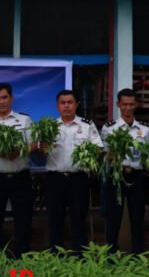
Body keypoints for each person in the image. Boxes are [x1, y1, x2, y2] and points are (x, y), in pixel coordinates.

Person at [41, 89, 103, 254]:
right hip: (55, 179)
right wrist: (43, 147)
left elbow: (98, 149)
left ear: (77, 105)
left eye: (70, 102)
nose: (66, 106)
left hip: (79, 179)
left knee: (78, 219)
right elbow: (40, 151)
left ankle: (80, 258)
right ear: (57, 106)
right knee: (55, 220)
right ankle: (56, 256)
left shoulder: (87, 125)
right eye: (63, 103)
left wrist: (88, 153)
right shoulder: (49, 126)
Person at [0, 83, 35, 256]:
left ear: (11, 98)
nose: (1, 101)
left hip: (21, 178)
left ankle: (21, 256)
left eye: (4, 97)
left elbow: (34, 144)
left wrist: (19, 150)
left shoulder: (24, 120)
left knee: (23, 219)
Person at [100, 88, 149, 254]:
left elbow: (148, 155)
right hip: (116, 175)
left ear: (136, 105)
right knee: (113, 216)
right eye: (124, 104)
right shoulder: (109, 128)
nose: (128, 108)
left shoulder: (144, 130)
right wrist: (110, 156)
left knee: (138, 217)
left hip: (136, 175)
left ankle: (138, 255)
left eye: (131, 104)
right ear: (118, 105)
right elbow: (102, 155)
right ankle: (111, 255)